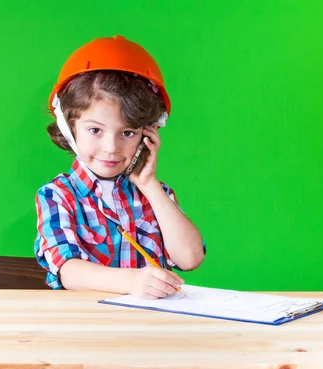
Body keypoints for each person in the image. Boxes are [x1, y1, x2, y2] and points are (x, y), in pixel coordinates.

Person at [34, 36, 205, 298]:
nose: (111, 147)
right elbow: (68, 271)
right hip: (88, 330)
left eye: (127, 133)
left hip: (149, 331)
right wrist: (133, 281)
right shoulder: (57, 195)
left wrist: (149, 185)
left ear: (147, 134)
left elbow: (190, 258)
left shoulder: (155, 194)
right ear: (69, 129)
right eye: (95, 130)